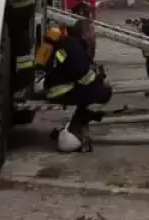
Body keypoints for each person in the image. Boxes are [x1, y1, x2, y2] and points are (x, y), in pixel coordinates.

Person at [45, 18, 113, 152]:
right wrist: (99, 79)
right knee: (103, 92)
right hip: (60, 90)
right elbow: (82, 75)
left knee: (96, 90)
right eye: (92, 31)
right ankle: (80, 120)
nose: (94, 35)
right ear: (84, 34)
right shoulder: (73, 46)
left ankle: (80, 120)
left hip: (60, 87)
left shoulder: (74, 44)